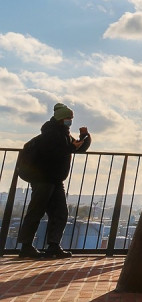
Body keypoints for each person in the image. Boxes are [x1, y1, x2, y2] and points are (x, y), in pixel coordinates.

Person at [17, 103, 91, 258]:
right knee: (37, 211)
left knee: (60, 213)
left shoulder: (63, 133)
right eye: (68, 118)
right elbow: (53, 153)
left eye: (71, 118)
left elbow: (77, 148)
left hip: (55, 179)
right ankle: (26, 247)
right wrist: (71, 147)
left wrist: (84, 137)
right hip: (43, 179)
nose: (70, 121)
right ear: (60, 119)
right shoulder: (51, 134)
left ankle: (53, 246)